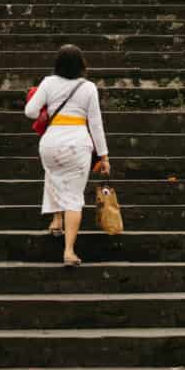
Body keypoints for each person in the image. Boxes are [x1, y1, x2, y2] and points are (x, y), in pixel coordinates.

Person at [24, 45, 109, 267]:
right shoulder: (89, 87)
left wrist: (47, 111)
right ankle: (69, 251)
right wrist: (104, 156)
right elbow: (96, 124)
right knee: (73, 196)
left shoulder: (48, 82)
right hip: (77, 142)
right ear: (82, 65)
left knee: (53, 176)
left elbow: (30, 112)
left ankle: (56, 220)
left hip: (51, 142)